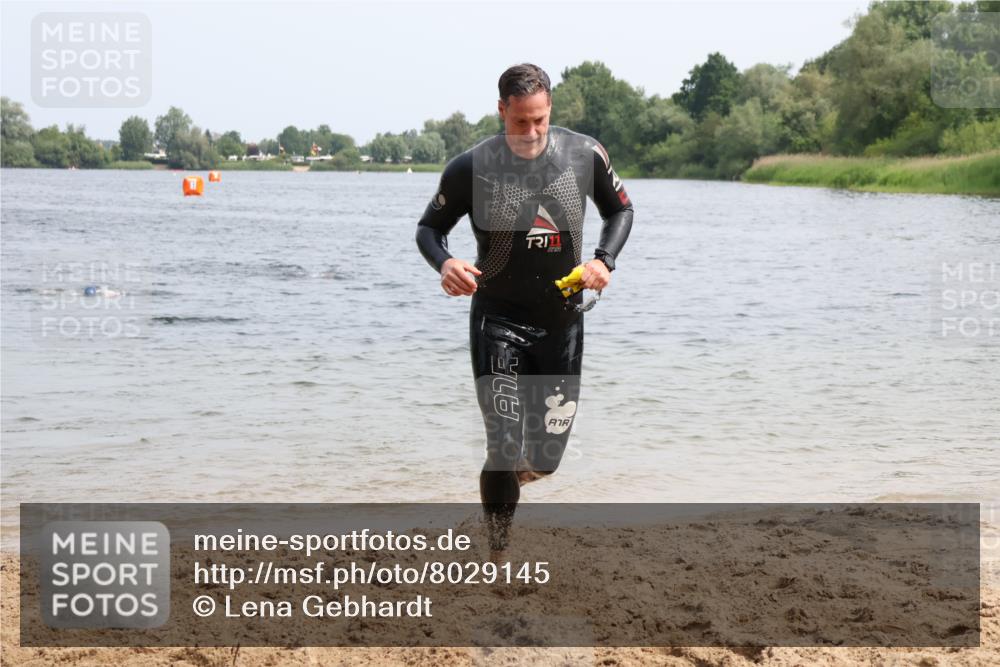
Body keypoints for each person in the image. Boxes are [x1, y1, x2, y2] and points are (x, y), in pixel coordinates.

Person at [415, 63, 633, 556]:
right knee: (504, 444)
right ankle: (498, 552)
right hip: (499, 322)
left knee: (547, 458)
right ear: (501, 112)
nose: (531, 133)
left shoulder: (583, 153)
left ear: (549, 109)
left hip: (562, 322)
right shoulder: (471, 167)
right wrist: (445, 263)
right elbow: (429, 231)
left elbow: (621, 209)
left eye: (539, 120)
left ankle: (497, 492)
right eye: (520, 123)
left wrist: (604, 261)